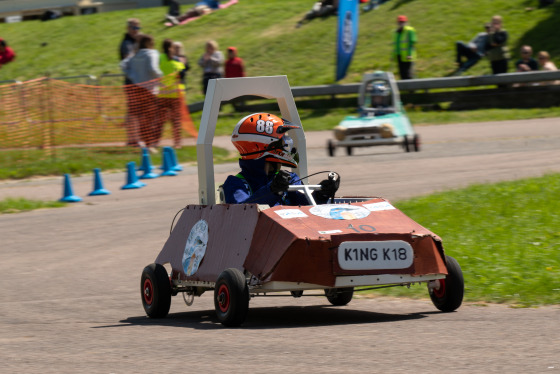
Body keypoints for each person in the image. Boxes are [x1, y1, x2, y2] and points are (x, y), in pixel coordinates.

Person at [222, 113, 340, 205]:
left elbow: (306, 207)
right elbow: (242, 212)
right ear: (266, 144)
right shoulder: (236, 183)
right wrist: (272, 190)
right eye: (283, 142)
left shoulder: (289, 178)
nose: (287, 147)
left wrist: (322, 194)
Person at [120, 34, 163, 152]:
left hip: (137, 89)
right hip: (149, 90)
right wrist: (161, 77)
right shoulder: (152, 53)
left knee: (140, 118)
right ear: (150, 43)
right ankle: (149, 145)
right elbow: (153, 69)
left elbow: (123, 64)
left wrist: (132, 76)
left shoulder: (135, 55)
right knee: (150, 118)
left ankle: (144, 143)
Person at [158, 39, 187, 149]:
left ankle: (177, 142)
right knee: (162, 121)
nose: (174, 49)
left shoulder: (175, 59)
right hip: (165, 96)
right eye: (173, 47)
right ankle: (157, 142)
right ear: (169, 48)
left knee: (174, 121)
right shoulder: (163, 59)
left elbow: (182, 74)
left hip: (173, 95)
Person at [119, 18, 142, 147]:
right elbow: (129, 60)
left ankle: (133, 138)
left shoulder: (134, 42)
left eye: (138, 28)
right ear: (128, 28)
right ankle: (133, 139)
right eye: (134, 28)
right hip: (131, 81)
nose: (136, 31)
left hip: (137, 81)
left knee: (134, 111)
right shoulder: (127, 43)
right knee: (134, 111)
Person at [392, 15, 417, 80]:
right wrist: (393, 56)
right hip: (399, 55)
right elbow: (395, 45)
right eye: (400, 22)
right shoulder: (397, 32)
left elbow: (412, 43)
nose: (401, 24)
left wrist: (410, 54)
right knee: (402, 74)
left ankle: (412, 89)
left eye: (403, 22)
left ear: (406, 22)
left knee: (408, 73)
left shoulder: (410, 30)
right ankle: (405, 88)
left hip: (407, 56)